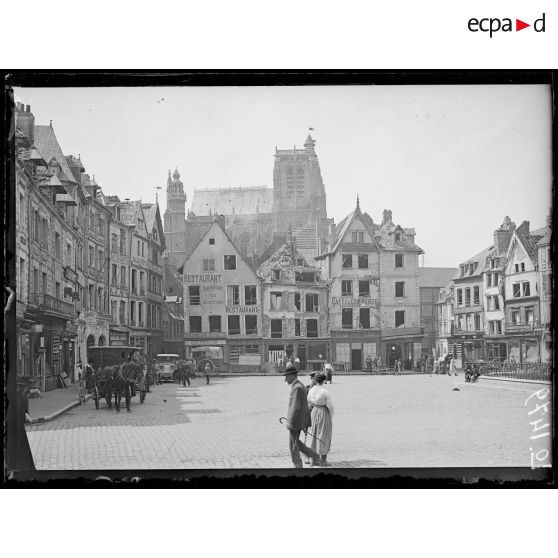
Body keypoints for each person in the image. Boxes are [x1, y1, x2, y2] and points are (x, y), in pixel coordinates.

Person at [284, 365, 321, 468]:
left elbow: (296, 407)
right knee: (297, 443)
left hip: (296, 422)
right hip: (298, 421)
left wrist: (290, 423)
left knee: (293, 445)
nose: (285, 380)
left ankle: (298, 466)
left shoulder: (297, 388)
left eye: (286, 377)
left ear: (291, 376)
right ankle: (314, 456)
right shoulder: (298, 386)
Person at [307, 373, 334, 466]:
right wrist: (331, 415)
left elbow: (309, 402)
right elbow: (329, 405)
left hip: (314, 412)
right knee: (324, 434)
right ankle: (323, 460)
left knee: (313, 434)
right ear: (323, 381)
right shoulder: (325, 391)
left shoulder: (311, 390)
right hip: (323, 412)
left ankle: (314, 459)